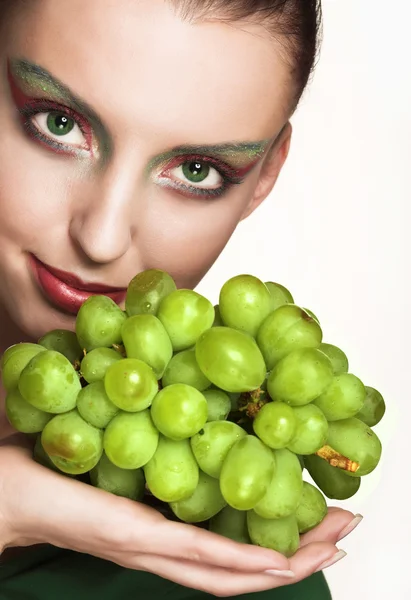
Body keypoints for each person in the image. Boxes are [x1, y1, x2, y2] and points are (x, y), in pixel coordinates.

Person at [0, 0, 363, 598]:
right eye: (57, 124)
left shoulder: (240, 566)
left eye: (197, 170)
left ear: (264, 177)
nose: (102, 238)